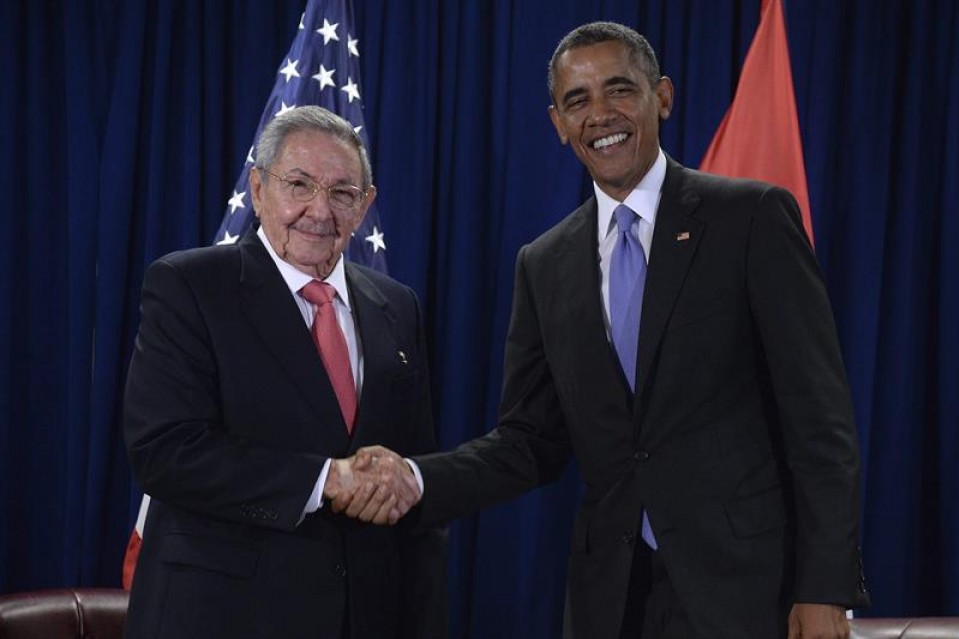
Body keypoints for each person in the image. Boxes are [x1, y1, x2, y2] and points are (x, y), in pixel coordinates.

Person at [338, 21, 869, 639]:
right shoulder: (544, 262)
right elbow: (528, 442)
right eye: (577, 100)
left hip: (749, 589)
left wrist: (824, 587)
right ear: (558, 124)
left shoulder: (749, 217)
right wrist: (416, 477)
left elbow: (819, 420)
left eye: (620, 89)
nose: (601, 114)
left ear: (662, 96)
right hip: (612, 599)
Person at [123, 106, 445, 639]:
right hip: (223, 616)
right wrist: (326, 481)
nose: (319, 210)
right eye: (299, 184)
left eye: (342, 193)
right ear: (257, 188)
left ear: (365, 206)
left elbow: (414, 482)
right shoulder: (191, 286)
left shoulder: (397, 306)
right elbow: (165, 452)